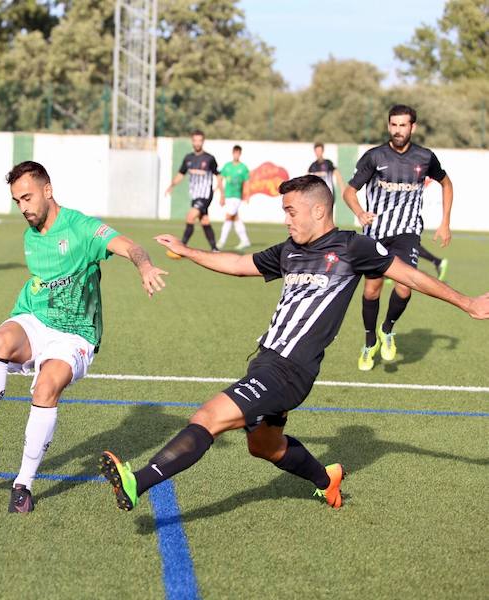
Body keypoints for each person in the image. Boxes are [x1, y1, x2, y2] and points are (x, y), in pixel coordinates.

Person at [99, 174, 488, 513]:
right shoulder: (289, 251)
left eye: (291, 211)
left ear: (318, 211)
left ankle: (139, 482)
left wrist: (467, 302)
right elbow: (238, 264)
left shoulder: (353, 248)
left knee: (208, 417)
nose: (286, 220)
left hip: (289, 371)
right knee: (265, 446)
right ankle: (326, 479)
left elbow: (412, 277)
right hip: (266, 363)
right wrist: (187, 251)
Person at [0, 161, 168, 513]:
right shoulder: (30, 236)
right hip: (36, 318)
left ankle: (23, 485)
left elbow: (129, 246)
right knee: (0, 341)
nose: (24, 207)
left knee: (47, 386)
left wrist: (145, 266)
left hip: (76, 334)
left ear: (48, 190)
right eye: (17, 201)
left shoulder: (81, 227)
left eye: (28, 197)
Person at [342, 105, 453, 371]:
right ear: (388, 126)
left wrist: (445, 221)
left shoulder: (425, 158)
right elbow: (349, 191)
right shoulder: (374, 156)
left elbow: (446, 183)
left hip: (407, 232)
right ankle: (370, 343)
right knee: (372, 290)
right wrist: (359, 212)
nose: (397, 130)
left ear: (412, 127)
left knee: (405, 287)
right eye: (394, 125)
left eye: (403, 125)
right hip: (376, 234)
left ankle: (387, 329)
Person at [164, 129, 219, 254]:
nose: (197, 143)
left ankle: (181, 247)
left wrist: (221, 191)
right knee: (204, 220)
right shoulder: (188, 158)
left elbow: (218, 175)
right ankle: (215, 248)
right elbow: (180, 174)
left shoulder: (209, 158)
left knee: (190, 217)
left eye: (200, 140)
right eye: (195, 140)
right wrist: (171, 185)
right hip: (195, 195)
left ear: (203, 141)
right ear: (192, 142)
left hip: (205, 195)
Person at [217, 144, 251, 250]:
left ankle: (221, 242)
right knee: (235, 218)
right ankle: (245, 241)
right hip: (227, 196)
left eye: (238, 153)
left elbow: (247, 182)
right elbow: (220, 179)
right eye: (235, 153)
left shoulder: (243, 168)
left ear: (240, 154)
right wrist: (221, 195)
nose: (236, 155)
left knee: (228, 217)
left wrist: (247, 195)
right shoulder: (227, 166)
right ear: (233, 153)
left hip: (236, 197)